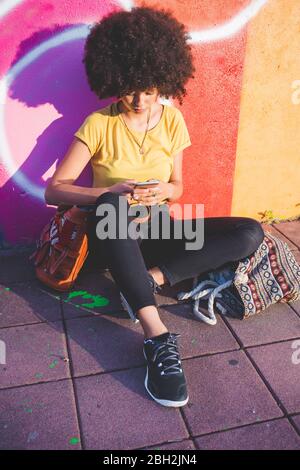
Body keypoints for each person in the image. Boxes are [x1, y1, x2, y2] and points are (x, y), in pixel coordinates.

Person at [45, 5, 265, 408]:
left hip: (158, 228)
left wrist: (165, 186)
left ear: (164, 79)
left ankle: (149, 281)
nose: (140, 99)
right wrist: (114, 192)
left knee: (250, 231)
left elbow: (178, 188)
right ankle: (157, 337)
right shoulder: (98, 124)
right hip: (109, 231)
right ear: (113, 79)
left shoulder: (171, 120)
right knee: (112, 206)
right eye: (130, 88)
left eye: (149, 89)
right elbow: (55, 190)